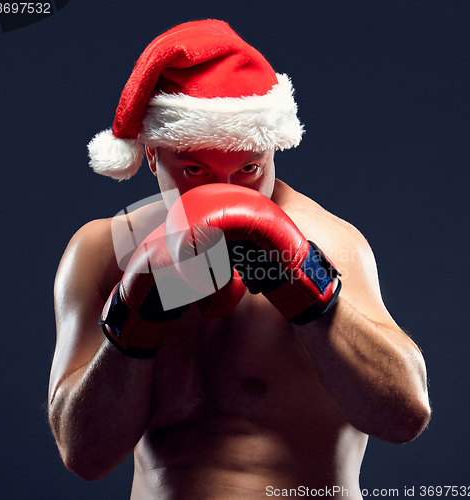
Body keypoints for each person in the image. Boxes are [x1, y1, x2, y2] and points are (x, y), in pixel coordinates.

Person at [48, 19, 431, 499]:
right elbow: (83, 456)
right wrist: (133, 321)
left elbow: (405, 416)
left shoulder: (329, 243)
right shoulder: (105, 252)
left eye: (249, 169)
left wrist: (308, 290)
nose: (226, 194)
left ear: (271, 150)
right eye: (195, 170)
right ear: (151, 156)